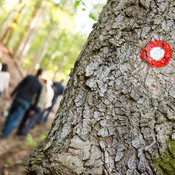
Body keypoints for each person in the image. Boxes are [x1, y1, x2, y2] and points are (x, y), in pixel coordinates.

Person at [2, 68, 44, 139]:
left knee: (10, 114)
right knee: (15, 119)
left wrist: (12, 95)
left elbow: (19, 85)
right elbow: (37, 98)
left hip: (18, 97)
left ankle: (4, 130)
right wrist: (33, 109)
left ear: (37, 72)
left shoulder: (28, 77)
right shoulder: (39, 85)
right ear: (41, 75)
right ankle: (4, 135)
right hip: (26, 102)